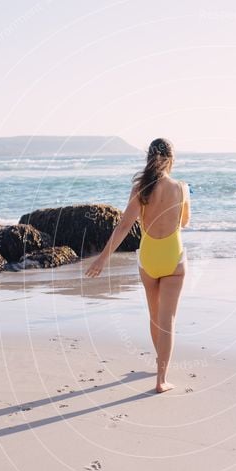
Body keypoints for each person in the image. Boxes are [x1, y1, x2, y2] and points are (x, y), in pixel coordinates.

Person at [85, 138, 191, 393]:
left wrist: (102, 258)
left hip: (148, 258)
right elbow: (185, 222)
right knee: (168, 320)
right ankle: (161, 379)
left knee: (155, 317)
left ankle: (159, 365)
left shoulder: (140, 189)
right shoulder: (182, 188)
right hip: (173, 257)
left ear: (149, 158)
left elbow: (123, 226)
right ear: (171, 159)